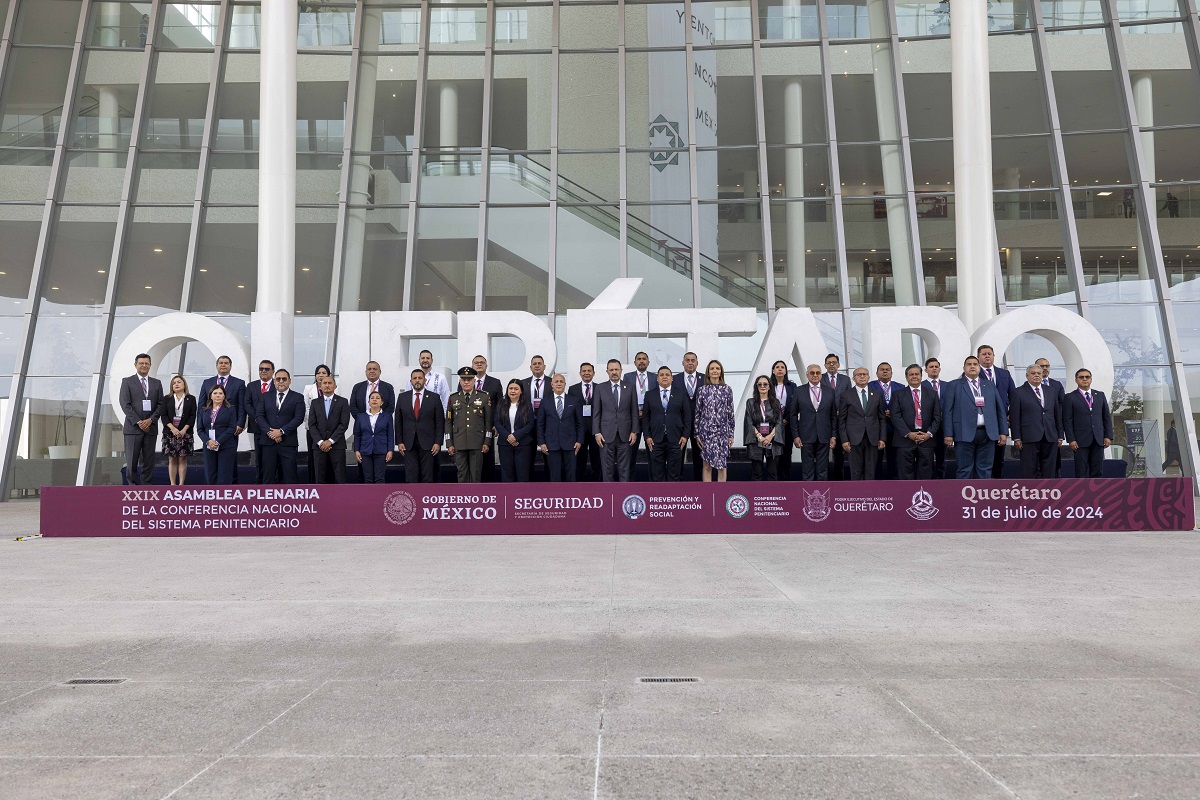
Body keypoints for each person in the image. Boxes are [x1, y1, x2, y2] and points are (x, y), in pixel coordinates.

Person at [942, 356, 1008, 479]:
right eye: (969, 364)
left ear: (979, 367)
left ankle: (982, 497)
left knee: (985, 469)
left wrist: (1003, 431)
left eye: (975, 364)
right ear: (964, 368)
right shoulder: (954, 385)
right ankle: (963, 497)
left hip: (988, 433)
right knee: (964, 469)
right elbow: (948, 411)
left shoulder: (988, 385)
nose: (972, 366)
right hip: (963, 433)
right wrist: (948, 434)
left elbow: (1000, 409)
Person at [199, 356, 247, 483]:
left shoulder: (239, 383)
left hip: (230, 428)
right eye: (221, 363)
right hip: (209, 431)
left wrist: (240, 424)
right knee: (211, 469)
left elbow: (242, 405)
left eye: (226, 363)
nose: (223, 365)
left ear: (230, 366)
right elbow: (201, 406)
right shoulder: (206, 383)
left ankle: (231, 489)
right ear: (216, 365)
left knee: (228, 463)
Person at [1009, 364, 1062, 479]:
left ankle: (1048, 493)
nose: (1036, 375)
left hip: (1050, 435)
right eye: (1033, 373)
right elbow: (1015, 416)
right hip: (1029, 437)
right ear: (1027, 375)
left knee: (1049, 469)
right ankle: (1031, 494)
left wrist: (1060, 435)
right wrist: (1016, 437)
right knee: (1029, 469)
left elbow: (1057, 414)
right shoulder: (1018, 392)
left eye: (1039, 373)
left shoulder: (1051, 391)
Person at [119, 353, 164, 485]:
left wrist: (151, 420)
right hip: (133, 428)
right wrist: (139, 422)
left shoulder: (157, 383)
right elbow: (125, 404)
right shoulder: (127, 381)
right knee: (132, 460)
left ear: (150, 365)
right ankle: (132, 487)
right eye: (141, 363)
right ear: (135, 365)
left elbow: (161, 404)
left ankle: (146, 487)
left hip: (150, 428)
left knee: (148, 461)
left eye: (147, 363)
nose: (144, 366)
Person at [591, 358, 639, 482]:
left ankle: (624, 495)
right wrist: (597, 432)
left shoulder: (630, 387)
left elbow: (634, 411)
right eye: (611, 370)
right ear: (607, 371)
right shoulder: (600, 388)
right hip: (605, 435)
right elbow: (596, 412)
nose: (614, 372)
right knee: (607, 469)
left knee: (625, 469)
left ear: (621, 371)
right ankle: (609, 496)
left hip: (626, 434)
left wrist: (634, 431)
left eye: (616, 369)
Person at [892, 364, 942, 480]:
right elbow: (895, 416)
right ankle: (906, 497)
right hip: (904, 440)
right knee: (905, 475)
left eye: (916, 374)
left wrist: (929, 434)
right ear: (906, 377)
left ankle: (924, 498)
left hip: (926, 440)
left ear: (921, 376)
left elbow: (937, 417)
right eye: (911, 374)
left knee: (925, 475)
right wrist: (909, 434)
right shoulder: (898, 394)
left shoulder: (932, 394)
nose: (914, 376)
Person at [255, 369, 306, 484]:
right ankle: (267, 502)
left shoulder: (298, 397)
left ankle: (291, 501)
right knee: (268, 476)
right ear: (274, 381)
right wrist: (271, 432)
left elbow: (299, 418)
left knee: (290, 476)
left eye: (284, 379)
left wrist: (281, 431)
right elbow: (259, 416)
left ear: (289, 381)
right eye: (278, 379)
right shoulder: (265, 396)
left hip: (288, 443)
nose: (281, 381)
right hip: (268, 442)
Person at [395, 368, 445, 484]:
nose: (417, 380)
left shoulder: (434, 397)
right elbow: (398, 420)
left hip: (429, 444)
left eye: (420, 378)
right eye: (415, 378)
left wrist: (438, 442)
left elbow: (439, 421)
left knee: (427, 477)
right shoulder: (403, 397)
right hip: (408, 444)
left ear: (425, 380)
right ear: (411, 381)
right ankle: (414, 501)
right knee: (411, 477)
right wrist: (399, 442)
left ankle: (426, 501)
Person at [643, 366, 692, 482]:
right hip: (655, 439)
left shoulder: (681, 393)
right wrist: (647, 436)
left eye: (667, 374)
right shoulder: (649, 395)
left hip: (676, 439)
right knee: (657, 474)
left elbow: (687, 416)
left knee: (674, 474)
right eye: (661, 375)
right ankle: (658, 498)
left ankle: (672, 498)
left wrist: (685, 436)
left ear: (672, 378)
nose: (664, 377)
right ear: (657, 378)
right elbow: (645, 418)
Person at [837, 368, 887, 481]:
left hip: (873, 438)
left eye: (865, 374)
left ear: (869, 377)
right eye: (859, 375)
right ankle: (856, 496)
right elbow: (842, 420)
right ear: (854, 378)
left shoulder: (877, 394)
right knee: (856, 471)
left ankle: (869, 495)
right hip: (853, 439)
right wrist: (844, 440)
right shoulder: (846, 395)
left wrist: (882, 438)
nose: (862, 377)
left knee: (871, 471)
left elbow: (882, 418)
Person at [1062, 368, 1112, 479]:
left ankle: (1096, 495)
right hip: (1080, 441)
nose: (1085, 379)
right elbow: (1067, 420)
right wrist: (1071, 439)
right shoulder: (1070, 397)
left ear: (1091, 379)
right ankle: (1082, 495)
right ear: (1076, 380)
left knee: (1097, 471)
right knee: (1081, 471)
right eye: (1081, 377)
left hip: (1098, 439)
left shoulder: (1100, 395)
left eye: (1087, 377)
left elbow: (1106, 417)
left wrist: (1108, 436)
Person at [447, 366, 493, 483]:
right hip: (459, 441)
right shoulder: (453, 398)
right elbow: (448, 422)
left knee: (476, 473)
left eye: (469, 379)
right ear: (460, 381)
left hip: (477, 441)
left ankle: (475, 498)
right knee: (461, 473)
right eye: (463, 380)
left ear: (474, 381)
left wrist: (487, 441)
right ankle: (464, 498)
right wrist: (449, 443)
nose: (466, 382)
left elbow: (488, 421)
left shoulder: (483, 396)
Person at [976, 344, 1015, 479]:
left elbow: (1013, 395)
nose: (987, 356)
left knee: (999, 457)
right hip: (981, 421)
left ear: (993, 356)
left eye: (989, 354)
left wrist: (1010, 414)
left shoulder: (1004, 373)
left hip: (1000, 421)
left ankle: (996, 486)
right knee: (982, 458)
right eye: (984, 354)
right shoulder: (973, 374)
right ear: (978, 357)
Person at [793, 364, 836, 481]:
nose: (815, 375)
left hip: (824, 435)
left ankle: (822, 496)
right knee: (807, 469)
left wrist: (833, 435)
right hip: (805, 435)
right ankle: (808, 496)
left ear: (821, 375)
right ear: (807, 375)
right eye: (812, 373)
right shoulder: (798, 391)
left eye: (818, 373)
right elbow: (793, 415)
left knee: (823, 469)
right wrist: (796, 436)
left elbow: (833, 416)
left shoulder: (830, 391)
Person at [694, 359, 735, 482]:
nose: (715, 371)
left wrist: (731, 434)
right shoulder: (702, 390)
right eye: (712, 368)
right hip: (706, 432)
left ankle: (720, 493)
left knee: (722, 465)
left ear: (721, 371)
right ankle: (708, 492)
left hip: (722, 433)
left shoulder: (727, 390)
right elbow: (698, 413)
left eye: (717, 368)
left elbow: (730, 413)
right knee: (706, 465)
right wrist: (697, 434)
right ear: (708, 372)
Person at [537, 373, 583, 481]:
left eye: (561, 382)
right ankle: (555, 496)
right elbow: (540, 424)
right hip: (551, 443)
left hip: (571, 443)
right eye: (556, 382)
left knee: (571, 475)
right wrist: (541, 442)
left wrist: (579, 441)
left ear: (565, 384)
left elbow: (580, 423)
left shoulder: (574, 401)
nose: (559, 384)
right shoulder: (545, 402)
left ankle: (571, 496)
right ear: (551, 384)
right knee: (554, 475)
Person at [309, 374, 351, 484]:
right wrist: (321, 442)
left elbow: (344, 424)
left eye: (330, 383)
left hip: (337, 445)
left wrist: (330, 441)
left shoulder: (343, 402)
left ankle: (341, 500)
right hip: (319, 446)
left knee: (339, 476)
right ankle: (320, 501)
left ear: (335, 386)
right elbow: (312, 425)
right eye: (324, 383)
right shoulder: (315, 403)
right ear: (320, 387)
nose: (327, 385)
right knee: (319, 477)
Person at [156, 375, 196, 486]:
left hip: (185, 433)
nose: (176, 384)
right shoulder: (167, 398)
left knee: (182, 459)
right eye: (174, 383)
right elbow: (163, 415)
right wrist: (173, 428)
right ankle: (173, 484)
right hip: (170, 433)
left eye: (179, 382)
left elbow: (192, 416)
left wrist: (183, 430)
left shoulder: (190, 398)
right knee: (172, 459)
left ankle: (181, 484)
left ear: (184, 385)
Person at [470, 354, 503, 481]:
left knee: (488, 460)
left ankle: (489, 491)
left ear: (486, 366)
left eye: (482, 362)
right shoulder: (466, 381)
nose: (479, 364)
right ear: (472, 365)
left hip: (488, 428)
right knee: (471, 460)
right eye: (476, 362)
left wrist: (497, 425)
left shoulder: (495, 383)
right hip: (470, 428)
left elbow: (500, 406)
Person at [870, 362, 905, 480]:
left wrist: (894, 413)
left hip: (895, 429)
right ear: (876, 373)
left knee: (893, 457)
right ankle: (877, 482)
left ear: (891, 373)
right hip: (876, 428)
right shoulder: (870, 386)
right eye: (882, 369)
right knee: (876, 458)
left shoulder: (900, 387)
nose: (885, 371)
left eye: (887, 369)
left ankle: (893, 481)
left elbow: (905, 406)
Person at [197, 384, 238, 485]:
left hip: (226, 446)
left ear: (224, 396)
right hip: (209, 446)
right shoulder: (203, 410)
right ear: (210, 396)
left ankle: (224, 500)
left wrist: (218, 441)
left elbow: (232, 428)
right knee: (210, 475)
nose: (218, 395)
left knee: (224, 475)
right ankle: (212, 499)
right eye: (215, 393)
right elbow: (200, 429)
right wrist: (208, 441)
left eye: (220, 393)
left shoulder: (231, 409)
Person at [744, 375, 782, 480]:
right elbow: (749, 421)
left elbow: (779, 422)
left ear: (769, 386)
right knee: (757, 473)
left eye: (765, 384)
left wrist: (770, 436)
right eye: (759, 384)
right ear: (756, 387)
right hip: (756, 440)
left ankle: (773, 495)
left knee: (773, 473)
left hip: (772, 440)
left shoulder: (776, 402)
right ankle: (756, 496)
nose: (762, 386)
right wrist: (759, 436)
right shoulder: (750, 402)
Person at [496, 379, 535, 482]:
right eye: (511, 388)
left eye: (516, 389)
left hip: (523, 444)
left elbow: (530, 423)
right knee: (506, 473)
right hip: (505, 443)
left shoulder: (527, 405)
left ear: (521, 391)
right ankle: (507, 496)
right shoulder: (501, 404)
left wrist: (516, 436)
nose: (513, 391)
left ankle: (522, 496)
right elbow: (497, 422)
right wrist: (508, 436)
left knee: (522, 473)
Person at [568, 363, 601, 481]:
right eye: (584, 371)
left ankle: (597, 486)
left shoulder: (600, 388)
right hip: (579, 431)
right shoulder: (572, 389)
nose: (587, 373)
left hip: (595, 431)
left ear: (593, 373)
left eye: (589, 371)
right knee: (579, 461)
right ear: (580, 373)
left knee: (597, 460)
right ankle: (579, 487)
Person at [674, 351, 703, 480]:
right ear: (683, 363)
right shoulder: (675, 379)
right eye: (687, 360)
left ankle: (700, 486)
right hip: (679, 424)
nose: (690, 363)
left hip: (700, 425)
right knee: (678, 456)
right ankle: (678, 486)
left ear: (697, 363)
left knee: (700, 456)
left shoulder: (705, 378)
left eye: (693, 360)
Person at [354, 391, 395, 483]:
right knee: (367, 478)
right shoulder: (360, 417)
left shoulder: (387, 416)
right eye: (372, 398)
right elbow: (357, 434)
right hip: (365, 450)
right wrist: (356, 450)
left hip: (381, 450)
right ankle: (369, 497)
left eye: (377, 398)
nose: (374, 400)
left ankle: (379, 497)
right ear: (368, 401)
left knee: (379, 478)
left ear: (382, 402)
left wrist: (390, 450)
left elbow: (390, 434)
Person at [246, 360, 276, 483]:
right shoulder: (251, 386)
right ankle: (260, 481)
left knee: (272, 457)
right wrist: (259, 419)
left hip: (273, 428)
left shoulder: (277, 385)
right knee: (259, 456)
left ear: (273, 371)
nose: (263, 371)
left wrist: (266, 423)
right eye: (261, 369)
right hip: (257, 426)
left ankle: (273, 481)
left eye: (267, 369)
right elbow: (247, 404)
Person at [770, 360, 799, 480]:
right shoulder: (769, 385)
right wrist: (776, 421)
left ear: (786, 370)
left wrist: (786, 419)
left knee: (786, 455)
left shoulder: (792, 386)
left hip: (788, 426)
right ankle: (774, 482)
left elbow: (796, 405)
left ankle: (786, 483)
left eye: (782, 367)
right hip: (772, 427)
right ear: (773, 370)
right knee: (773, 456)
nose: (780, 369)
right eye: (777, 367)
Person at [522, 355, 550, 479]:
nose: (537, 365)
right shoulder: (523, 383)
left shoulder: (552, 382)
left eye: (539, 363)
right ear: (530, 367)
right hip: (529, 425)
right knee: (528, 458)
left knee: (549, 458)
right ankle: (530, 489)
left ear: (544, 366)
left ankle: (550, 488)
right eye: (534, 364)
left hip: (548, 425)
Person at [303, 364, 331, 483]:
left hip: (329, 431)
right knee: (313, 458)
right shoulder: (308, 389)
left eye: (324, 373)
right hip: (313, 430)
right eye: (318, 373)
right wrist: (316, 423)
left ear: (328, 375)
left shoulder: (335, 388)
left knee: (328, 458)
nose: (321, 375)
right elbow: (306, 408)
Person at [821, 353, 848, 480]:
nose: (831, 364)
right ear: (825, 365)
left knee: (839, 454)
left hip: (841, 420)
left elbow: (849, 398)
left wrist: (841, 411)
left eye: (834, 362)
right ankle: (824, 480)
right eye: (829, 362)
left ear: (838, 364)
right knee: (823, 452)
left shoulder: (845, 379)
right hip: (824, 420)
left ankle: (839, 481)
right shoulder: (820, 378)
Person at [624, 351, 653, 467]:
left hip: (650, 420)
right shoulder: (627, 377)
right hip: (632, 420)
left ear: (648, 362)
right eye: (639, 359)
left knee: (652, 453)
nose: (641, 361)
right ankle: (630, 483)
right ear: (635, 362)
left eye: (644, 359)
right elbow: (625, 398)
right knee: (631, 453)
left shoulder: (654, 377)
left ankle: (653, 483)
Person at [923, 357, 949, 478]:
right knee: (926, 458)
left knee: (942, 458)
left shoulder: (947, 386)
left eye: (936, 366)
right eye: (931, 367)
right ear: (926, 370)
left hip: (943, 427)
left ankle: (941, 483)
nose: (934, 369)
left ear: (940, 369)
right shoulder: (921, 386)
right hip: (927, 427)